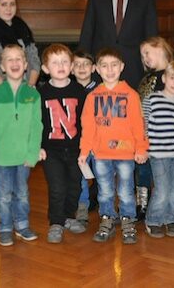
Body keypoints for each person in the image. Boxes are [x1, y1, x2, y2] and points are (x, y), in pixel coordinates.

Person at [0, 44, 45, 247]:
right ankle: (5, 227)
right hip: (2, 156)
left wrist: (32, 153)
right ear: (2, 67)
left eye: (18, 59)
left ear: (25, 65)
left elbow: (36, 126)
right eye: (9, 59)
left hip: (23, 156)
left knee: (22, 193)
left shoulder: (33, 95)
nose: (14, 63)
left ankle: (22, 225)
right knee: (3, 195)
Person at [78, 48, 149, 245]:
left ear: (122, 67)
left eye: (114, 65)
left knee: (126, 191)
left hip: (126, 154)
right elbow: (88, 127)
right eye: (104, 66)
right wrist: (85, 151)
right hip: (101, 154)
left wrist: (141, 148)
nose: (109, 70)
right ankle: (107, 219)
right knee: (105, 191)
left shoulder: (131, 95)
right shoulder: (93, 96)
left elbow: (138, 124)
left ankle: (127, 221)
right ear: (97, 70)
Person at [78, 0, 158, 89]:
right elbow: (87, 32)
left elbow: (152, 37)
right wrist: (82, 65)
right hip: (101, 70)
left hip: (134, 70)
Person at [38, 44, 87, 243]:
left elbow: (85, 120)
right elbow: (37, 122)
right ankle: (56, 222)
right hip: (51, 150)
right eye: (55, 62)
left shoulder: (79, 90)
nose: (61, 66)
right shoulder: (41, 93)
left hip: (76, 149)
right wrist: (38, 146)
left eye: (65, 62)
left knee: (75, 186)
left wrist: (86, 144)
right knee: (57, 187)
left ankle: (68, 216)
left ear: (72, 66)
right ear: (45, 69)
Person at [142, 60, 174, 238]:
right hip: (158, 154)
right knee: (162, 190)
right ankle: (153, 220)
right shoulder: (152, 98)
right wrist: (144, 146)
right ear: (164, 78)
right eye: (172, 78)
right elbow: (144, 124)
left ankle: (171, 219)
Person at [135, 36, 174, 220]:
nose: (144, 58)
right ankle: (142, 205)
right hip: (144, 133)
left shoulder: (173, 75)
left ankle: (165, 205)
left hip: (166, 136)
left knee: (164, 173)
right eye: (142, 56)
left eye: (147, 52)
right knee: (142, 170)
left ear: (160, 48)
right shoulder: (146, 79)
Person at [71, 49, 98, 225]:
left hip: (98, 141)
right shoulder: (69, 89)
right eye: (78, 64)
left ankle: (106, 208)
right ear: (71, 69)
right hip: (78, 142)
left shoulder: (100, 90)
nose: (82, 68)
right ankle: (82, 207)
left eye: (86, 64)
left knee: (103, 175)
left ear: (94, 68)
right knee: (80, 176)